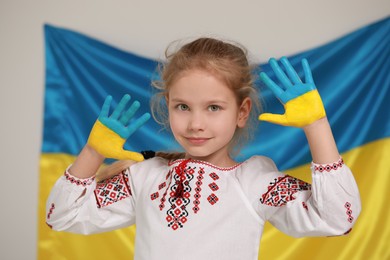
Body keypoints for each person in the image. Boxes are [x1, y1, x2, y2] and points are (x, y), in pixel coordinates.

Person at [46, 37, 361, 260]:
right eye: (183, 106)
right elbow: (61, 216)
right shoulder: (144, 177)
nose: (195, 123)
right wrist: (92, 153)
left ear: (241, 111)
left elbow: (336, 218)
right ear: (167, 106)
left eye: (213, 108)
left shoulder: (253, 182)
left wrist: (317, 126)